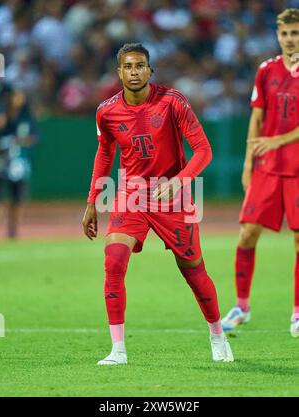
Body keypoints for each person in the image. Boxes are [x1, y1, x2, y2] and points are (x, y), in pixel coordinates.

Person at [82, 43, 234, 365]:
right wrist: (92, 201)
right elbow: (105, 153)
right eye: (128, 66)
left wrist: (179, 181)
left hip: (174, 197)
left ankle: (217, 334)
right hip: (131, 195)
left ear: (150, 70)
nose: (134, 72)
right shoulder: (106, 111)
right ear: (119, 72)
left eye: (140, 66)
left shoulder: (172, 101)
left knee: (193, 270)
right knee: (114, 261)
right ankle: (118, 350)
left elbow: (203, 151)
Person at [222, 9, 299, 337]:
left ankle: (297, 312)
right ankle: (241, 306)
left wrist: (278, 140)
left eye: (295, 33)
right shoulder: (266, 70)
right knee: (247, 234)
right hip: (266, 167)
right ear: (277, 34)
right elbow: (257, 115)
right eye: (285, 33)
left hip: (297, 169)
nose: (289, 39)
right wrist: (248, 161)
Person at [0, 82, 37, 238]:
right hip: (1, 163)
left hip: (19, 165)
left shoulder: (27, 117)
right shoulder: (3, 115)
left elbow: (34, 137)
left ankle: (13, 231)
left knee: (17, 200)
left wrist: (18, 141)